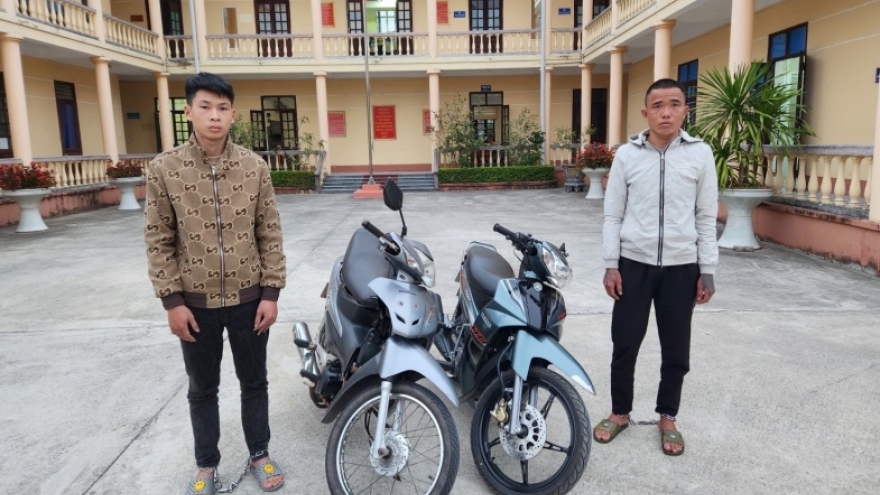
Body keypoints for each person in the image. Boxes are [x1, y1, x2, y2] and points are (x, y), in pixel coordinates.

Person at [144, 72, 287, 493]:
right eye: (205, 107)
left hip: (249, 301)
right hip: (194, 305)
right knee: (202, 389)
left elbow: (270, 232)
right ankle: (206, 465)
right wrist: (172, 302)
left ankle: (259, 454)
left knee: (254, 383)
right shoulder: (165, 169)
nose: (214, 116)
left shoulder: (254, 167)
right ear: (188, 112)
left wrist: (271, 293)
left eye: (222, 108)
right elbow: (158, 238)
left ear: (233, 115)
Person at [594, 78, 718, 456]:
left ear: (685, 111)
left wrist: (707, 269)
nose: (666, 112)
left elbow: (705, 216)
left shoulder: (700, 154)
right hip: (633, 265)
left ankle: (667, 416)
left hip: (682, 268)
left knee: (676, 349)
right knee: (625, 343)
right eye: (658, 105)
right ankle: (619, 412)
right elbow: (613, 215)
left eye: (674, 104)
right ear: (645, 112)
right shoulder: (627, 156)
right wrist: (611, 265)